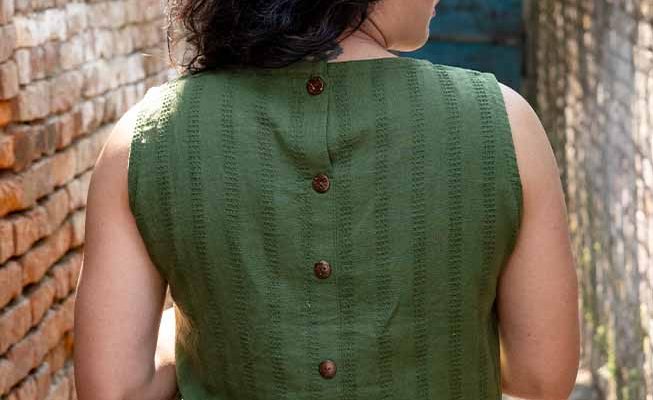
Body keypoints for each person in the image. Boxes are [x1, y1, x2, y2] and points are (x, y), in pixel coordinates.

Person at [73, 0, 581, 399]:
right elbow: (540, 377)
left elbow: (114, 389)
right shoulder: (505, 125)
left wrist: (189, 334)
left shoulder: (142, 140)